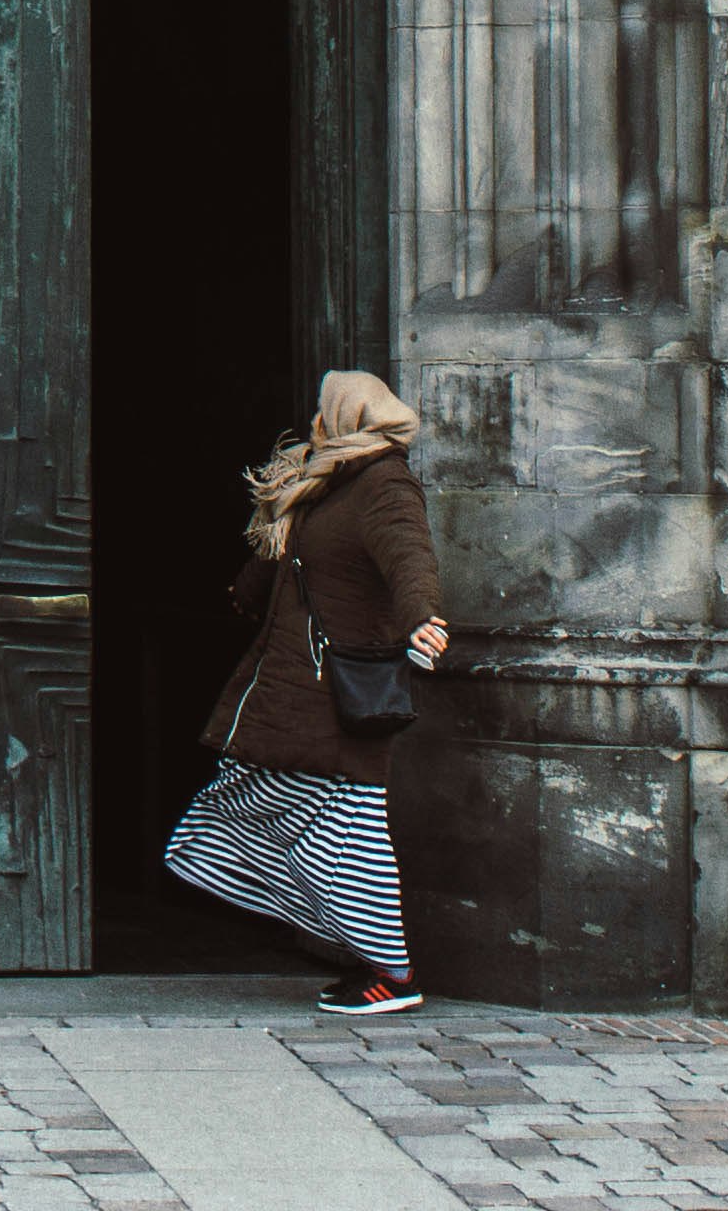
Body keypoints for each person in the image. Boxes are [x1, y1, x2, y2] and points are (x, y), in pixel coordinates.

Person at [159, 368, 450, 1016]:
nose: (315, 423)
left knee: (345, 832)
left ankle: (394, 977)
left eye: (323, 412)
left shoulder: (384, 483)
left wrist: (422, 619)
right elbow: (288, 562)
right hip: (298, 689)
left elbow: (410, 559)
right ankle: (366, 958)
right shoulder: (323, 482)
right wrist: (244, 591)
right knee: (264, 808)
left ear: (345, 418)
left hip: (338, 694)